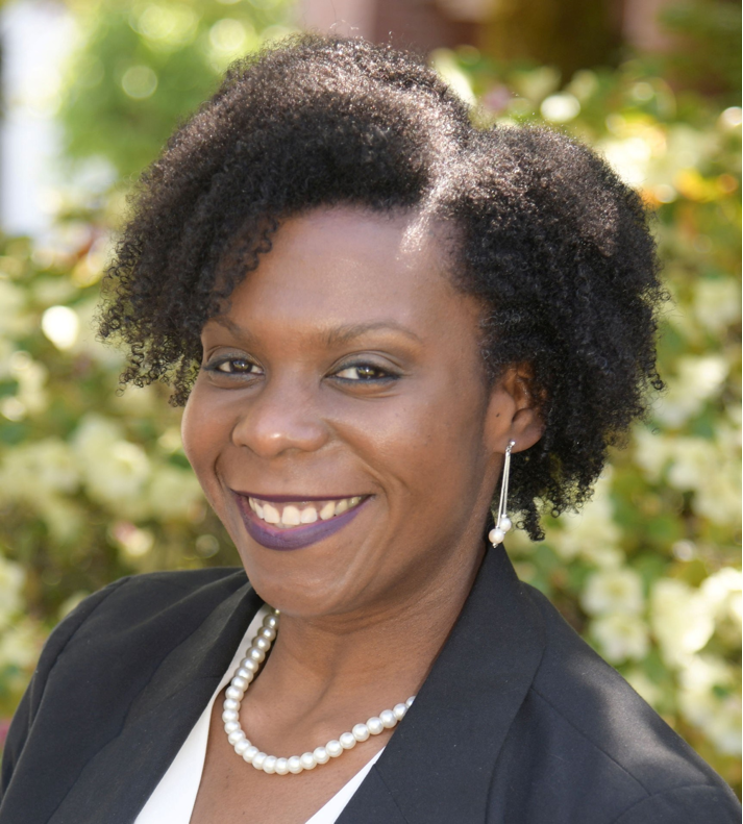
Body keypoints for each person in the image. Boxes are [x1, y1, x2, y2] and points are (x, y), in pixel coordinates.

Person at [0, 34, 739, 824]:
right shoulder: (106, 653)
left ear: (515, 403)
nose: (272, 431)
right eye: (234, 363)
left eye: (364, 371)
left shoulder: (620, 805)